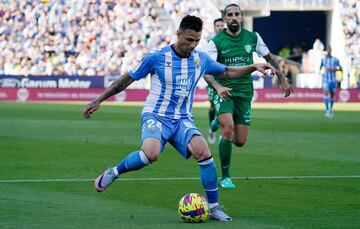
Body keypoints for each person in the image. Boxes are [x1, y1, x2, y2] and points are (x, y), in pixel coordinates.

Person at [83, 15, 276, 222]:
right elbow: (126, 79)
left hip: (182, 118)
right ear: (178, 35)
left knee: (203, 152)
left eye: (197, 41)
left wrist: (254, 67)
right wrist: (99, 100)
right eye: (189, 40)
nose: (192, 45)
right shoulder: (156, 58)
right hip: (156, 115)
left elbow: (227, 71)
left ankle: (214, 208)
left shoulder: (199, 59)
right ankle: (114, 172)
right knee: (151, 153)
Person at [205, 3, 294, 189]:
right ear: (225, 19)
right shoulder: (215, 42)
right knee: (227, 129)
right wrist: (217, 85)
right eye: (230, 14)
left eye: (237, 14)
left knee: (240, 141)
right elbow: (206, 70)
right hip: (224, 91)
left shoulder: (253, 37)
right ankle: (226, 176)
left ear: (241, 17)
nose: (234, 17)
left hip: (245, 92)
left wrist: (282, 78)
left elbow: (269, 57)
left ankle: (216, 123)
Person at [207, 18, 224, 145]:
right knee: (213, 106)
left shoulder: (230, 42)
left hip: (227, 79)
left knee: (225, 107)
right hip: (213, 80)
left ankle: (224, 132)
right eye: (217, 25)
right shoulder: (210, 43)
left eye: (222, 25)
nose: (219, 27)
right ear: (214, 28)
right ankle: (211, 129)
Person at [320, 45, 342, 118]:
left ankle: (331, 109)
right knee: (326, 93)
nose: (329, 51)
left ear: (331, 50)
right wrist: (321, 72)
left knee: (332, 95)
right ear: (326, 50)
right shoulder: (323, 59)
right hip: (326, 80)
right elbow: (320, 67)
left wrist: (334, 69)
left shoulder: (335, 59)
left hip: (333, 80)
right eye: (328, 49)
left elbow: (340, 68)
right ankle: (327, 110)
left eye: (330, 49)